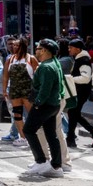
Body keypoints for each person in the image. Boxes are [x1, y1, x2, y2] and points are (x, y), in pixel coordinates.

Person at [24, 39, 65, 177]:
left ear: (46, 51)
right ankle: (56, 165)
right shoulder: (54, 63)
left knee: (28, 130)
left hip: (45, 105)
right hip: (54, 104)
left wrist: (37, 103)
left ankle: (41, 161)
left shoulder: (46, 67)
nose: (37, 51)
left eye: (39, 49)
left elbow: (44, 89)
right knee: (51, 134)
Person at [64, 39, 93, 148]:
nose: (69, 49)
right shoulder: (79, 59)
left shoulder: (84, 60)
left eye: (71, 47)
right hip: (79, 91)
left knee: (73, 113)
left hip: (81, 92)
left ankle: (71, 138)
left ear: (78, 49)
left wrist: (70, 78)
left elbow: (86, 78)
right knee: (74, 114)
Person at [0, 38, 37, 148]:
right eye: (13, 45)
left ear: (23, 46)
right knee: (17, 115)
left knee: (32, 115)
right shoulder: (10, 59)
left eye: (17, 45)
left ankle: (35, 136)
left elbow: (38, 74)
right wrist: (4, 89)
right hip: (14, 91)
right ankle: (23, 137)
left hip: (28, 91)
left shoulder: (31, 59)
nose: (14, 47)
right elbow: (6, 76)